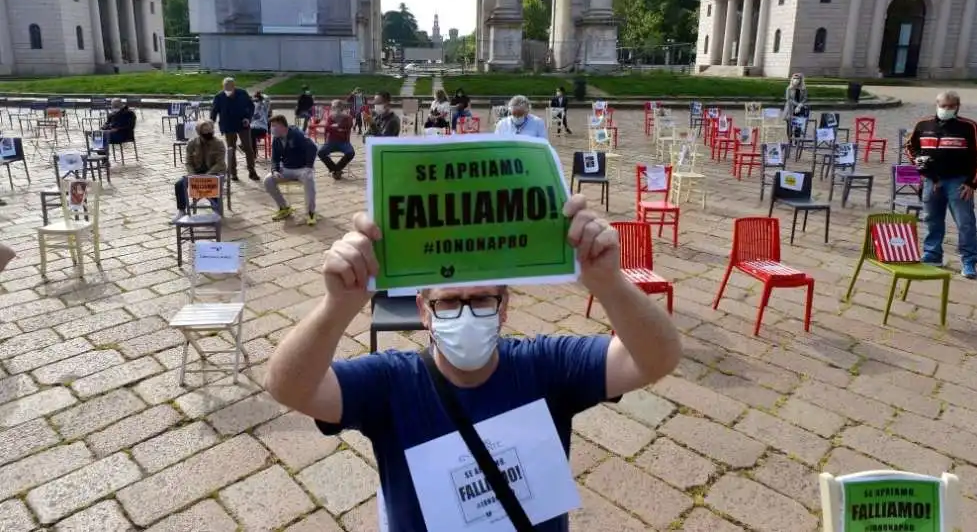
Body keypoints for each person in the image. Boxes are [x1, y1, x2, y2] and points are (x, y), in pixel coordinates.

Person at [264, 195, 681, 531]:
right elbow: (288, 386)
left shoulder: (545, 367)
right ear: (424, 311)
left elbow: (655, 359)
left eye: (482, 299)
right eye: (447, 302)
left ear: (503, 309)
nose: (465, 313)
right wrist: (336, 306)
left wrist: (611, 285)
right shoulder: (391, 384)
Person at [905, 91, 977, 279]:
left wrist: (972, 183)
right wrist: (924, 170)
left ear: (958, 107)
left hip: (959, 182)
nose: (946, 109)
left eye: (951, 106)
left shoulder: (969, 127)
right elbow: (910, 147)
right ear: (936, 105)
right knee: (932, 219)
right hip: (932, 181)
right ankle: (933, 254)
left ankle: (969, 261)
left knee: (965, 223)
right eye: (943, 105)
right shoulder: (923, 124)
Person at [264, 115, 318, 226]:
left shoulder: (297, 135)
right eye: (271, 126)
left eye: (274, 126)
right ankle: (284, 208)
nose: (272, 128)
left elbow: (312, 147)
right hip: (287, 169)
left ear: (283, 126)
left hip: (302, 169)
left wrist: (309, 166)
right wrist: (275, 170)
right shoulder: (276, 140)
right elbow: (274, 158)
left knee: (309, 179)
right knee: (268, 180)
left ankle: (310, 212)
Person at [173, 120, 227, 220]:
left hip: (214, 172)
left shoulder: (218, 143)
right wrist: (193, 175)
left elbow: (220, 164)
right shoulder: (192, 144)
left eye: (209, 131)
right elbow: (188, 162)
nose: (208, 134)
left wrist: (207, 175)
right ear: (199, 132)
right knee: (179, 184)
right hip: (196, 173)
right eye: (205, 131)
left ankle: (216, 210)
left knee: (213, 183)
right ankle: (181, 210)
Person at [210, 77, 258, 182]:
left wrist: (248, 118)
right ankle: (233, 173)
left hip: (242, 123)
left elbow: (251, 106)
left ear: (234, 86)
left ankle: (252, 171)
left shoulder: (242, 93)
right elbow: (214, 111)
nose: (228, 91)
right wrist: (211, 123)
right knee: (231, 149)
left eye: (230, 88)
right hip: (228, 125)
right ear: (223, 87)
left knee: (248, 148)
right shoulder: (219, 97)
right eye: (225, 88)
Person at [317, 99, 356, 180]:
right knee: (321, 152)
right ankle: (336, 170)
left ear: (341, 107)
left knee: (351, 153)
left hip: (344, 142)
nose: (333, 109)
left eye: (335, 107)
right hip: (331, 141)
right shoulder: (330, 117)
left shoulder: (348, 117)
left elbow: (348, 126)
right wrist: (338, 128)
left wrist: (336, 127)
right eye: (332, 107)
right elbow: (327, 129)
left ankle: (336, 170)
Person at [782, 72, 809, 139]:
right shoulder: (789, 88)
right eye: (794, 78)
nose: (796, 80)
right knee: (789, 125)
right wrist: (797, 105)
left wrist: (800, 106)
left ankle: (797, 140)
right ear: (792, 79)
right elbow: (788, 99)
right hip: (790, 109)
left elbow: (805, 98)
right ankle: (789, 140)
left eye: (798, 79)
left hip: (800, 109)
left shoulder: (803, 89)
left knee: (798, 125)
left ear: (800, 80)